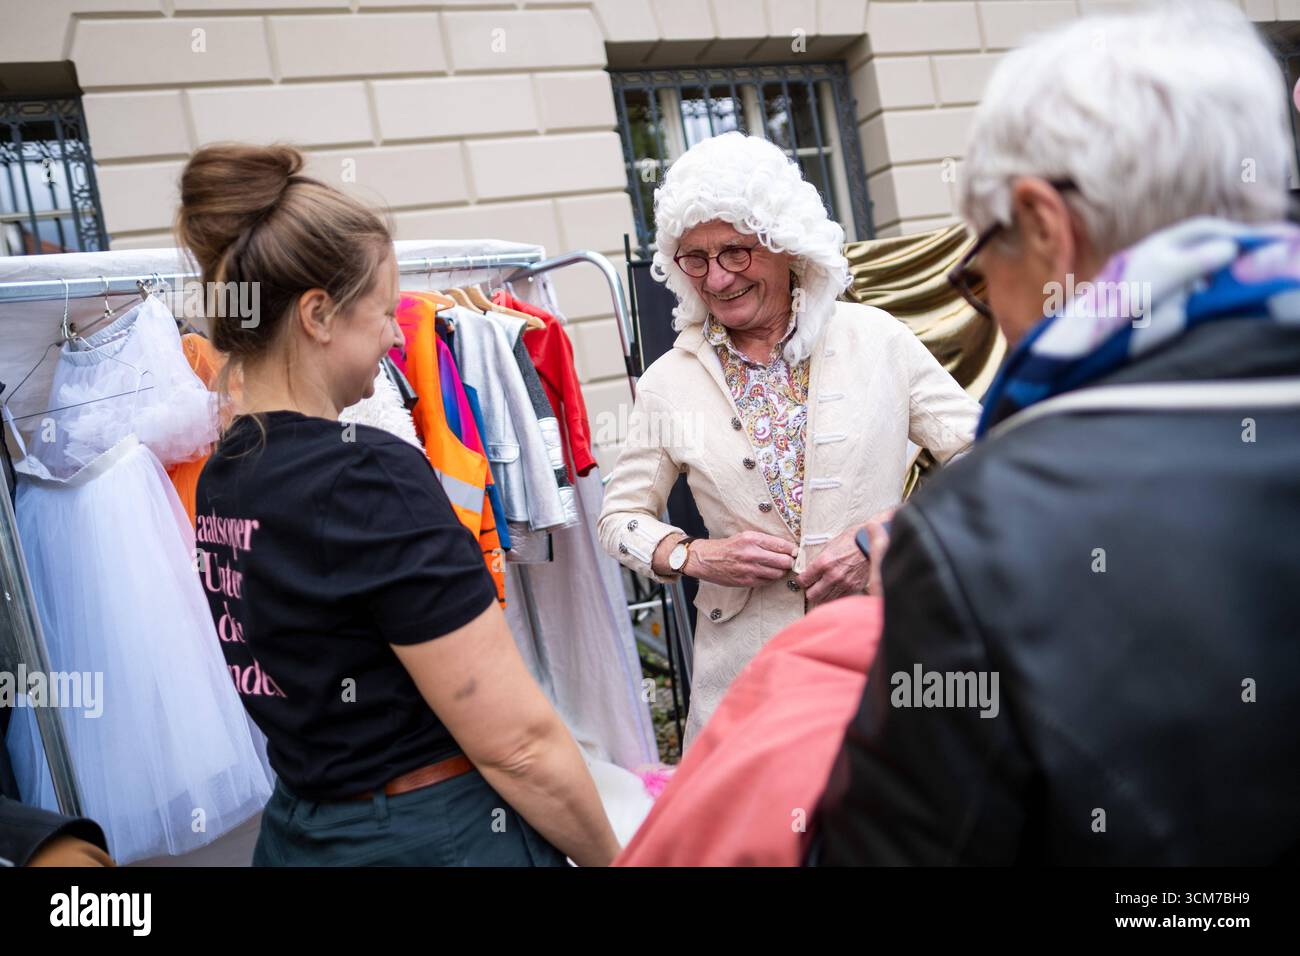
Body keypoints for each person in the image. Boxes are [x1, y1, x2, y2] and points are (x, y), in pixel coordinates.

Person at [812, 0, 1300, 864]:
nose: (990, 305)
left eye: (979, 269)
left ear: (1045, 227)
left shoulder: (982, 536)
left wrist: (939, 588)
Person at [179, 142, 620, 867]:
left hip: (305, 829)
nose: (394, 335)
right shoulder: (363, 472)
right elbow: (516, 744)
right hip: (430, 835)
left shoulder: (231, 468)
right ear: (318, 315)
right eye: (382, 314)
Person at [599, 132, 981, 746]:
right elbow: (619, 517)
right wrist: (693, 556)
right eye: (694, 258)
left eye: (736, 252)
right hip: (746, 680)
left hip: (888, 649)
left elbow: (983, 457)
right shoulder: (667, 381)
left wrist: (884, 536)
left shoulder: (876, 338)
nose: (717, 279)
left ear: (786, 247)